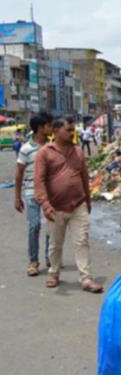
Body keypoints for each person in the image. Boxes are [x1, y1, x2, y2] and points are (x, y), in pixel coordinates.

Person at [33, 116, 103, 293]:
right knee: (56, 244)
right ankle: (54, 273)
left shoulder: (78, 151)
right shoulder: (45, 153)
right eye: (69, 130)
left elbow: (84, 177)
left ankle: (86, 278)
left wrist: (87, 200)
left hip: (78, 205)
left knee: (82, 241)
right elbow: (39, 181)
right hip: (55, 207)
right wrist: (46, 205)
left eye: (73, 130)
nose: (73, 133)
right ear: (56, 131)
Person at [15, 112, 53, 276]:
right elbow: (19, 174)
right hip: (31, 193)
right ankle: (33, 261)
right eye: (49, 125)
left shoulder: (51, 147)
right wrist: (17, 197)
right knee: (34, 225)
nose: (52, 128)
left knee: (51, 228)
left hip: (50, 194)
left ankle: (49, 257)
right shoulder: (26, 149)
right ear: (40, 128)